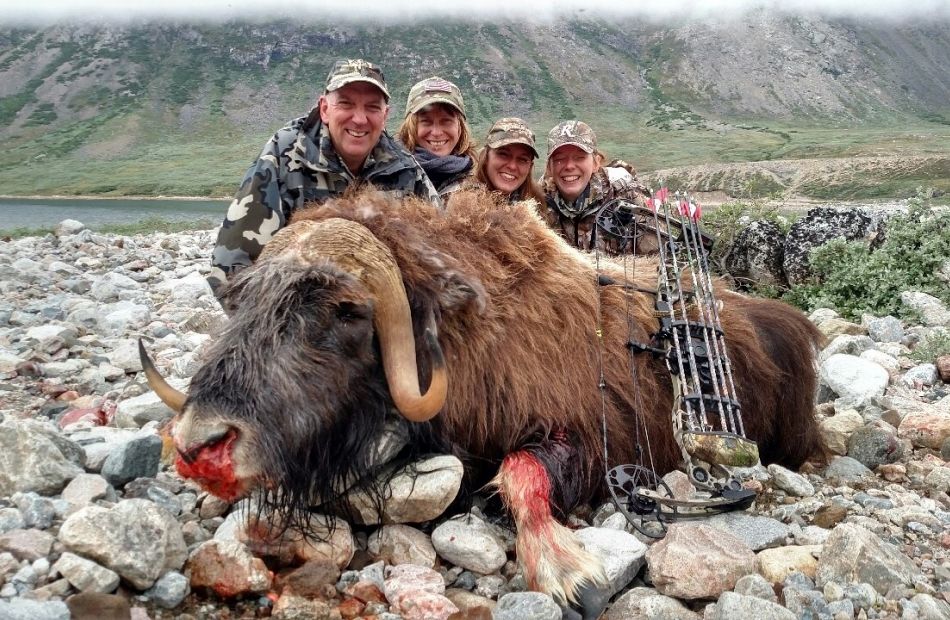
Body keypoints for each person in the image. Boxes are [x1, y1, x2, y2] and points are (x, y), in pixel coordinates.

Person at [207, 59, 442, 301]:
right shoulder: (284, 155)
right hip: (299, 312)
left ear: (385, 116)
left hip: (382, 309)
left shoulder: (404, 167)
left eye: (372, 107)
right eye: (346, 104)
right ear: (324, 108)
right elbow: (231, 271)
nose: (360, 119)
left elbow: (443, 254)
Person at [539, 120, 654, 255]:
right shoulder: (537, 205)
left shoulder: (626, 194)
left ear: (596, 163)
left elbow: (657, 257)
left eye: (579, 157)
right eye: (560, 159)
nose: (569, 166)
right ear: (549, 168)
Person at [396, 77, 477, 198]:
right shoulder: (387, 175)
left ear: (460, 128)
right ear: (410, 127)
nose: (437, 132)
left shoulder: (480, 182)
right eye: (426, 122)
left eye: (446, 121)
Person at [472, 117, 545, 204]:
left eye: (522, 159)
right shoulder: (459, 203)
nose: (512, 166)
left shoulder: (538, 205)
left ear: (530, 167)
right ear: (486, 156)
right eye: (503, 154)